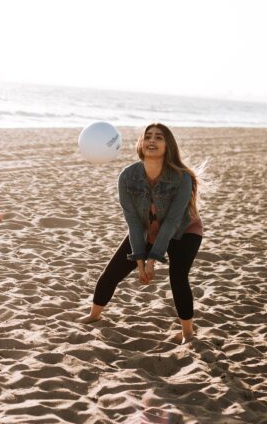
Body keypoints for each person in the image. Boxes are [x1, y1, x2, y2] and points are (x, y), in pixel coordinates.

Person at [79, 123, 204, 344]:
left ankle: (187, 332)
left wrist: (152, 260)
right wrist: (139, 259)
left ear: (169, 145)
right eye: (148, 137)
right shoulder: (127, 176)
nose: (152, 141)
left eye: (159, 137)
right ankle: (94, 314)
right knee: (112, 273)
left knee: (178, 276)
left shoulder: (182, 177)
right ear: (141, 143)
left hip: (184, 231)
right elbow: (133, 221)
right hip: (147, 231)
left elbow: (173, 221)